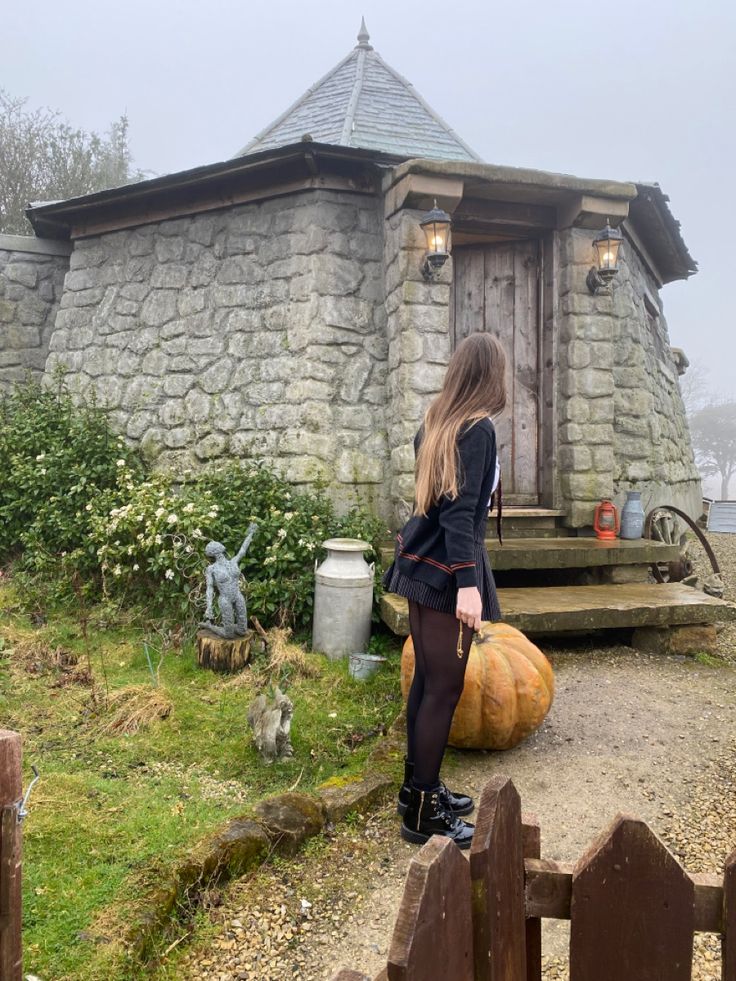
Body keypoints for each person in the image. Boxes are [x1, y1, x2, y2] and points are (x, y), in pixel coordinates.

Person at [382, 332, 506, 849]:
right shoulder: (477, 429)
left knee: (427, 683)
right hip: (446, 572)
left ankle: (418, 791)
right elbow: (459, 514)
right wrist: (469, 587)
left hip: (419, 561)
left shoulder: (436, 422)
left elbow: (439, 506)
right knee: (444, 688)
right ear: (489, 374)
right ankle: (425, 813)